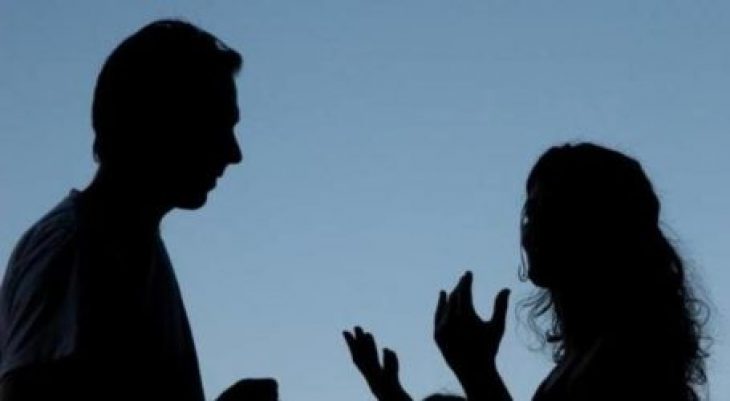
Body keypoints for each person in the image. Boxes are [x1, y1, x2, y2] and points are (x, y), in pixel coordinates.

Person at [0, 19, 266, 400]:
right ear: (158, 122)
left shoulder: (126, 249)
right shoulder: (73, 247)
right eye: (216, 124)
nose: (233, 153)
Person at [434, 143, 709, 401]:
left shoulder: (627, 354)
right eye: (530, 214)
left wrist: (476, 370)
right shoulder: (593, 355)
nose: (530, 231)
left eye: (551, 211)